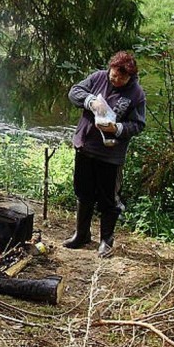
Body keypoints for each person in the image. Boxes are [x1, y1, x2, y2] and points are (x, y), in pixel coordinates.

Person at [65, 51, 146, 258]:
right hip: (85, 146)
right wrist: (91, 101)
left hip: (110, 154)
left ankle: (106, 241)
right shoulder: (98, 77)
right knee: (83, 192)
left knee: (108, 199)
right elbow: (74, 92)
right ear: (110, 68)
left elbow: (138, 125)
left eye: (121, 77)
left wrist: (117, 128)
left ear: (129, 77)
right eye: (114, 74)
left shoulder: (136, 94)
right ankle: (81, 235)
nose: (115, 79)